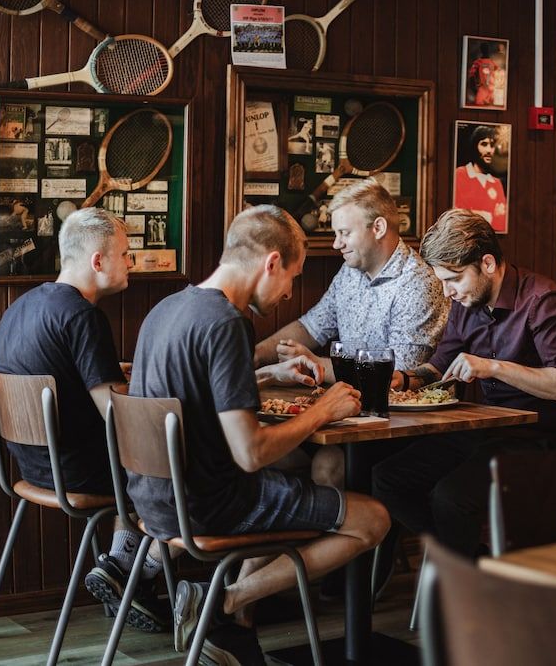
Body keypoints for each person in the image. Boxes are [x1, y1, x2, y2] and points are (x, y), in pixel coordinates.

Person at [127, 204, 390, 664]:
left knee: (306, 480)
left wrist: (265, 374)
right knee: (373, 520)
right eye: (292, 276)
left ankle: (231, 622)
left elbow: (194, 391)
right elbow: (250, 454)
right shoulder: (227, 322)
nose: (289, 293)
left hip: (153, 500)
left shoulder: (167, 309)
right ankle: (224, 602)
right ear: (271, 262)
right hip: (212, 503)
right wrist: (323, 410)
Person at [371, 209, 556, 559]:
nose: (447, 292)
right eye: (442, 280)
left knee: (451, 498)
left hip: (544, 440)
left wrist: (493, 367)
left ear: (487, 263)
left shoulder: (544, 302)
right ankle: (472, 564)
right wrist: (405, 378)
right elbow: (440, 365)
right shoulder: (467, 303)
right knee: (386, 478)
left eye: (453, 279)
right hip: (489, 432)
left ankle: (466, 581)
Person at [0, 207, 170, 633]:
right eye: (125, 254)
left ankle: (124, 578)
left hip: (33, 465)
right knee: (176, 471)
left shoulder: (21, 307)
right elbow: (115, 414)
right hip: (79, 472)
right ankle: (129, 572)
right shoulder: (83, 316)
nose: (130, 263)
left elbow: (74, 380)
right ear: (97, 261)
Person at [254, 179, 448, 487]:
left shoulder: (417, 283)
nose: (336, 243)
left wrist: (315, 363)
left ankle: (358, 531)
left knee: (328, 465)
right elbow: (310, 326)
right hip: (345, 415)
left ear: (379, 228)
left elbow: (396, 379)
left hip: (396, 427)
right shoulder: (350, 271)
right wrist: (251, 356)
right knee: (267, 452)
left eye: (344, 233)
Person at [453, 124, 508, 233]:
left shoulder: (496, 183)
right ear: (474, 146)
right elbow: (458, 216)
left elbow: (501, 223)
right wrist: (489, 215)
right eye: (484, 144)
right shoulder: (460, 174)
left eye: (492, 145)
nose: (489, 150)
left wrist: (474, 213)